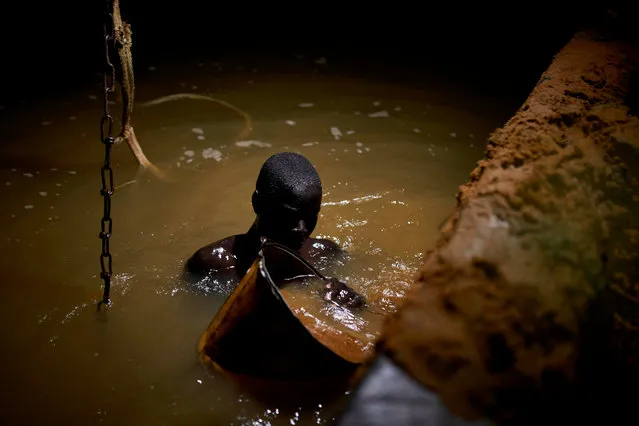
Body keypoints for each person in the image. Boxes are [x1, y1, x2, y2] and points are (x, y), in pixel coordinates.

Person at [185, 152, 365, 308]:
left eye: (311, 216)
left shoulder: (324, 253)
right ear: (257, 203)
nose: (301, 229)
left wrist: (350, 304)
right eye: (288, 215)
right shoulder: (213, 264)